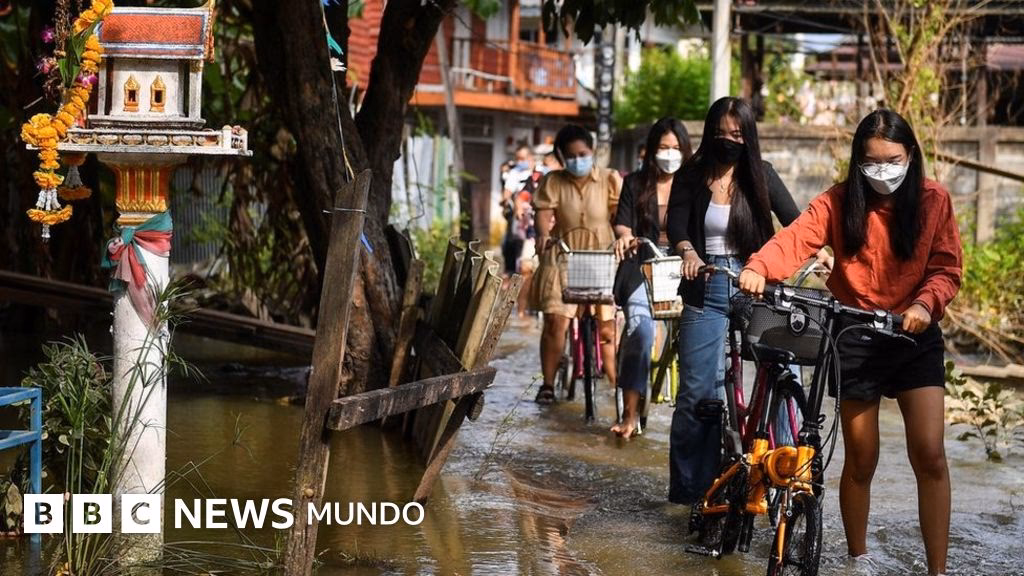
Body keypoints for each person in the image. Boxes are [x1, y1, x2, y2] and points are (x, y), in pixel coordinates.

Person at [738, 109, 962, 576]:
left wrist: (924, 306)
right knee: (862, 458)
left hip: (914, 332)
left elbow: (946, 268)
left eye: (893, 161)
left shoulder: (934, 201)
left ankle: (938, 571)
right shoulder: (838, 202)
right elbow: (795, 239)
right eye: (872, 163)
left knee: (930, 452)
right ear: (858, 162)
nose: (883, 172)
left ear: (912, 156)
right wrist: (758, 268)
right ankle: (857, 561)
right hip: (854, 333)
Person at [665, 96, 829, 504]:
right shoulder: (692, 175)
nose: (728, 140)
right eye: (720, 133)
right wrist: (688, 251)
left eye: (737, 133)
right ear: (709, 133)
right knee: (698, 394)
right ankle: (694, 493)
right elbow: (676, 224)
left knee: (783, 370)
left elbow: (797, 223)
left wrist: (822, 253)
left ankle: (790, 475)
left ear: (748, 136)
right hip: (707, 284)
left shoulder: (763, 176)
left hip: (758, 283)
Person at [610, 117, 693, 438]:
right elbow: (623, 224)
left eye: (676, 148)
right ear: (651, 150)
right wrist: (624, 237)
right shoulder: (634, 183)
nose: (670, 154)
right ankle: (630, 415)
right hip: (641, 269)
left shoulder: (694, 186)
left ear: (685, 152)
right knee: (641, 332)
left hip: (684, 271)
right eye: (663, 148)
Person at [532, 124, 622, 404]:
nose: (577, 160)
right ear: (561, 157)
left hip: (601, 258)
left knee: (607, 325)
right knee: (555, 320)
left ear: (591, 151)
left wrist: (625, 238)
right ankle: (547, 384)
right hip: (564, 257)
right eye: (570, 156)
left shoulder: (609, 179)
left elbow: (620, 217)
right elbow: (544, 216)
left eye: (582, 153)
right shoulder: (553, 182)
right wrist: (543, 236)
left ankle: (614, 379)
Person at [502, 145, 535, 277]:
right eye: (518, 158)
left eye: (523, 158)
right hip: (519, 214)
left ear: (530, 158)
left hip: (535, 216)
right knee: (514, 242)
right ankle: (513, 272)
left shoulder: (539, 173)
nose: (520, 161)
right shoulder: (515, 173)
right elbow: (507, 193)